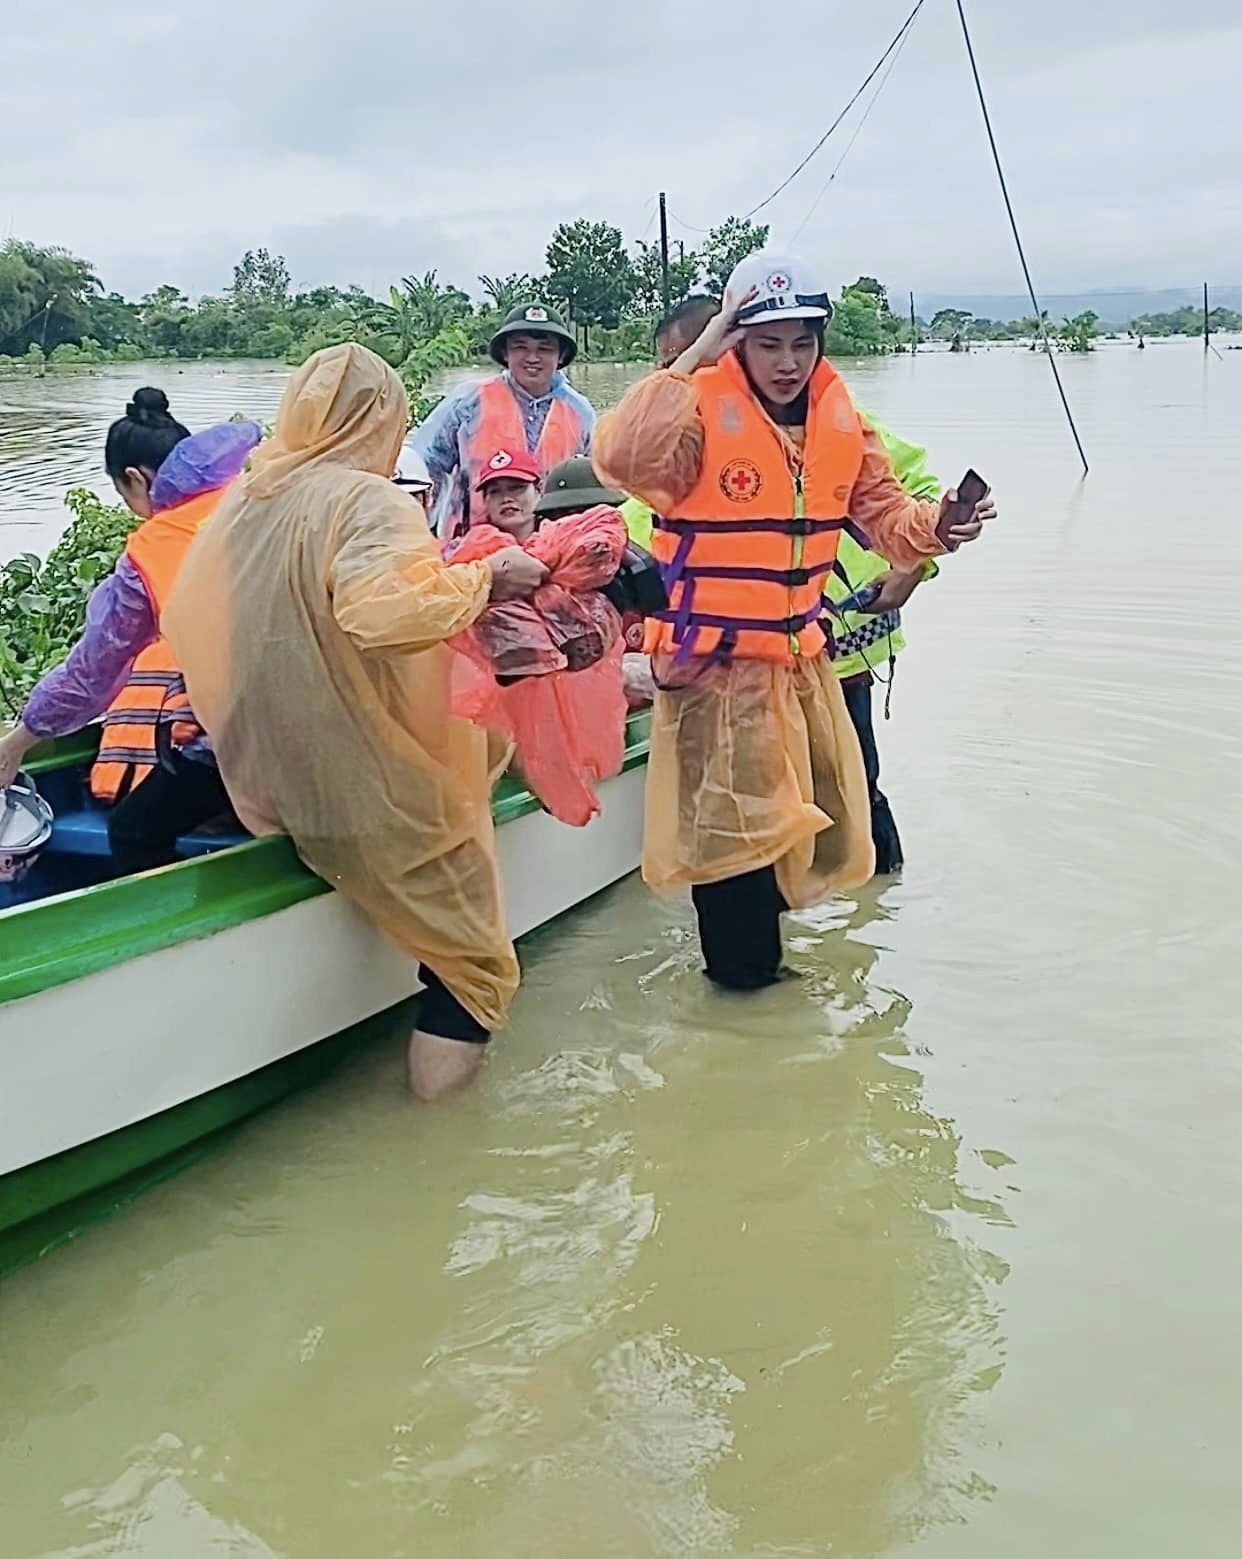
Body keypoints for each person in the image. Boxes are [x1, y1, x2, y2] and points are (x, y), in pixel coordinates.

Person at [594, 253, 995, 990]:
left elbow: (887, 521)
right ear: (739, 342)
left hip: (799, 666)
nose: (787, 362)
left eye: (802, 342)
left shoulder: (839, 421)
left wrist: (942, 525)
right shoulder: (695, 414)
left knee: (799, 822)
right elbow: (620, 456)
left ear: (821, 342)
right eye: (767, 342)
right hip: (712, 670)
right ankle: (742, 985)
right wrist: (701, 345)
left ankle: (767, 988)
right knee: (729, 838)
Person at [161, 344, 547, 1101]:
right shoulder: (367, 500)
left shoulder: (250, 497)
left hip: (262, 773)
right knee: (473, 966)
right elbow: (383, 617)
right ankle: (438, 1151)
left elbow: (189, 613)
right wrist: (485, 577)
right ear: (384, 420)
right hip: (356, 782)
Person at [627, 295, 945, 874]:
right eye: (669, 362)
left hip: (839, 651)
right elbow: (634, 522)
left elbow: (918, 498)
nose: (678, 375)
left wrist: (915, 566)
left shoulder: (840, 422)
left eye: (798, 345)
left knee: (850, 788)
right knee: (750, 819)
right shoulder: (688, 441)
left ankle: (875, 911)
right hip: (729, 666)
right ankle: (781, 934)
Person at [0, 390, 261, 872]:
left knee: (134, 829)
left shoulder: (152, 550)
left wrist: (17, 743)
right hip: (323, 719)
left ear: (136, 480)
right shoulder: (252, 499)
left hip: (246, 740)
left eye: (125, 496)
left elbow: (93, 671)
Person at [413, 303, 595, 540]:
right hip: (470, 547)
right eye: (520, 348)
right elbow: (424, 468)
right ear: (506, 353)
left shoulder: (580, 412)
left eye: (544, 349)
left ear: (560, 355)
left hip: (551, 547)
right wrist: (421, 531)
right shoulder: (468, 401)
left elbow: (595, 482)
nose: (532, 358)